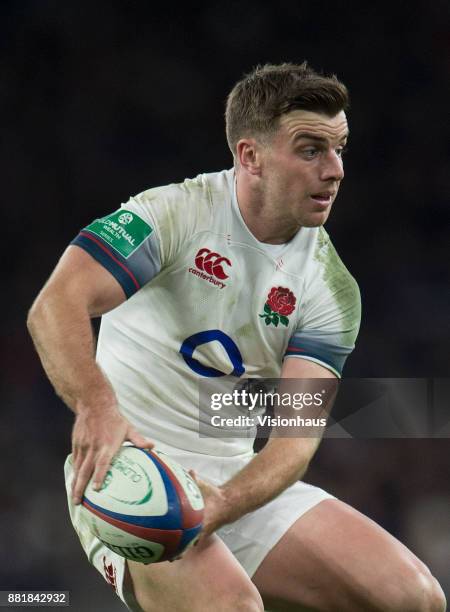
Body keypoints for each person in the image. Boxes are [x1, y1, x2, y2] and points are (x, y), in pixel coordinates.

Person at [27, 62, 446, 612]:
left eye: (340, 148)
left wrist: (225, 501)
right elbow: (55, 305)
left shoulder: (330, 287)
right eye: (311, 149)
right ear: (250, 156)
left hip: (232, 482)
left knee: (415, 598)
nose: (336, 169)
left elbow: (294, 442)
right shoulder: (170, 216)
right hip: (129, 476)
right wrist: (97, 406)